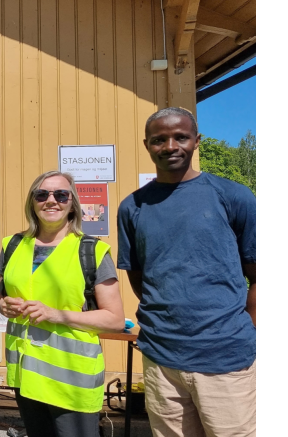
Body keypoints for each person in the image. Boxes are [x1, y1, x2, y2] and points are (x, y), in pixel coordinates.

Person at [117, 107, 256, 437]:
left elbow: (262, 274)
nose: (169, 146)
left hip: (225, 358)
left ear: (196, 141)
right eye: (158, 140)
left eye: (180, 137)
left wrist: (250, 327)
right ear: (147, 145)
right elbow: (140, 277)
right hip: (161, 358)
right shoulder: (132, 207)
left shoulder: (234, 196)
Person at [0, 171, 124, 436]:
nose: (51, 201)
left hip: (71, 379)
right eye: (42, 194)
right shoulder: (12, 245)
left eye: (60, 195)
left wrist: (56, 315)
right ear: (32, 202)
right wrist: (3, 305)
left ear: (72, 203)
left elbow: (115, 319)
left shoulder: (91, 251)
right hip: (25, 374)